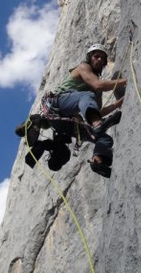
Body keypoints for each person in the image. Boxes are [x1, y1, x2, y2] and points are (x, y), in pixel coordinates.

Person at [44, 43, 127, 177]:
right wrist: (124, 81)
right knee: (87, 97)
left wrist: (118, 104)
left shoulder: (94, 90)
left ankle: (98, 162)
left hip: (66, 123)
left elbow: (96, 111)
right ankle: (98, 125)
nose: (99, 59)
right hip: (56, 105)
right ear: (90, 58)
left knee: (104, 138)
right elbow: (98, 85)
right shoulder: (83, 67)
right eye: (96, 56)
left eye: (102, 58)